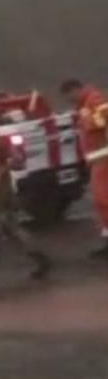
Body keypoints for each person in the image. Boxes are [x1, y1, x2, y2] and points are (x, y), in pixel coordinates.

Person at [0, 110, 51, 289]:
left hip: (0, 195)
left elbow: (18, 159)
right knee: (11, 231)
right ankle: (40, 259)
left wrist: (1, 172)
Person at [60, 79, 108, 257]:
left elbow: (103, 118)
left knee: (103, 199)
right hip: (98, 159)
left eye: (69, 97)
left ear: (75, 90)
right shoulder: (84, 105)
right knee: (101, 201)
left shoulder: (94, 99)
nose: (69, 101)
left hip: (104, 157)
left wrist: (86, 122)